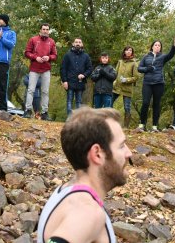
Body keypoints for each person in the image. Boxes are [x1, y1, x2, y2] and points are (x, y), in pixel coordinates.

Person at [37, 107, 132, 243]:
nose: (129, 153)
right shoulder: (87, 211)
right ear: (97, 154)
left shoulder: (66, 191)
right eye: (121, 145)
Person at [137, 35, 175, 131]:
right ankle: (141, 124)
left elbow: (171, 54)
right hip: (147, 83)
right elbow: (139, 68)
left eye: (159, 45)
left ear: (160, 48)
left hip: (159, 83)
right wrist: (147, 69)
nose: (157, 46)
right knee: (145, 103)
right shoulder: (146, 57)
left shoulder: (163, 57)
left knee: (156, 104)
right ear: (152, 46)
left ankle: (154, 126)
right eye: (155, 45)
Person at [24, 23, 57, 120]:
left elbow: (55, 56)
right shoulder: (33, 39)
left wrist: (49, 57)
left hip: (46, 69)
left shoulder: (51, 41)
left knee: (45, 91)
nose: (45, 31)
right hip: (34, 68)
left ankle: (44, 113)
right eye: (44, 29)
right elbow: (27, 52)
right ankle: (28, 110)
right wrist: (35, 57)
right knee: (31, 90)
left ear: (49, 31)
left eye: (47, 29)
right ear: (40, 30)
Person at [60, 38, 92, 118]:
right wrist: (64, 81)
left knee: (79, 101)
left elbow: (90, 69)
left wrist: (84, 75)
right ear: (73, 44)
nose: (78, 43)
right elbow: (63, 68)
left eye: (79, 42)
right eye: (76, 42)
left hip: (80, 82)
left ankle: (78, 119)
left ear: (82, 44)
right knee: (69, 100)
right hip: (70, 81)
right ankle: (70, 118)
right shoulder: (67, 55)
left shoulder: (86, 56)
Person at [112, 46, 138, 128]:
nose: (128, 51)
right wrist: (113, 81)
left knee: (127, 108)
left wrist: (126, 80)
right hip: (117, 87)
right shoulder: (120, 62)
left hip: (127, 89)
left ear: (132, 52)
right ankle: (110, 123)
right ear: (124, 52)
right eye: (127, 50)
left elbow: (136, 77)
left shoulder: (134, 63)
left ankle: (126, 127)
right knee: (109, 103)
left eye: (130, 50)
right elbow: (115, 73)